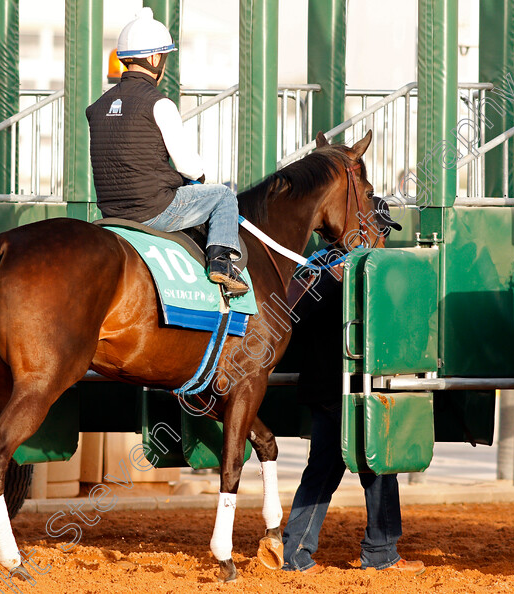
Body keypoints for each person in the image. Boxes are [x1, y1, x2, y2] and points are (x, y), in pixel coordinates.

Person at [281, 202, 423, 575]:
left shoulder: (357, 265)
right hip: (338, 388)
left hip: (343, 387)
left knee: (329, 471)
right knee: (376, 467)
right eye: (379, 229)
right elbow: (293, 313)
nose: (383, 238)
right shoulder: (323, 265)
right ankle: (379, 552)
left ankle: (296, 553)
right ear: (358, 229)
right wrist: (334, 280)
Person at [86, 8, 248, 297]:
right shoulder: (160, 104)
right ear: (153, 59)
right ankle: (221, 265)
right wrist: (199, 176)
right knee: (223, 195)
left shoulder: (97, 106)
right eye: (164, 58)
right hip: (154, 210)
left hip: (110, 211)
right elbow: (189, 167)